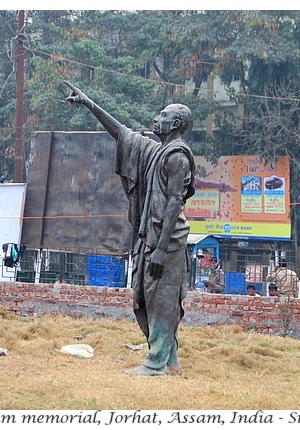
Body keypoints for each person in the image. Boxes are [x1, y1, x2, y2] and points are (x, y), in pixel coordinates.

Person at [64, 81, 195, 377]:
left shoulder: (176, 156)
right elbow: (123, 133)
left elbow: (175, 201)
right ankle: (169, 360)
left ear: (174, 123)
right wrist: (89, 104)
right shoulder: (157, 151)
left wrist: (161, 249)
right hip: (152, 238)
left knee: (161, 302)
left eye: (162, 115)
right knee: (147, 298)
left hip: (167, 243)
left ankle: (156, 362)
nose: (155, 119)